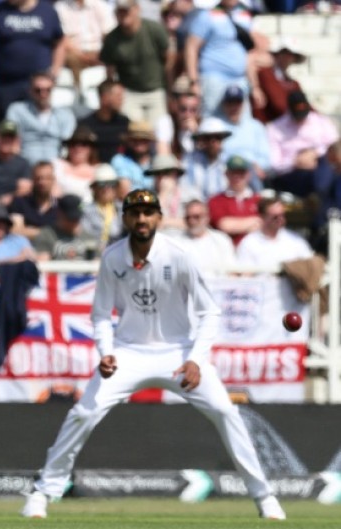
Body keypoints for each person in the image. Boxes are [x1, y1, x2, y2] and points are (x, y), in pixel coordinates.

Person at [23, 188, 286, 522]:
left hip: (178, 352)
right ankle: (43, 492)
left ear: (159, 218)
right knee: (83, 413)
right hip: (128, 352)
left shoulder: (179, 257)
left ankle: (264, 497)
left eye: (148, 213)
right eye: (135, 213)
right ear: (126, 218)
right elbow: (102, 315)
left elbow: (210, 313)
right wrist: (105, 352)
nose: (142, 219)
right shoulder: (112, 257)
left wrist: (195, 359)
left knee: (225, 410)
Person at [0, 0, 65, 122]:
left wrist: (55, 71)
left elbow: (60, 42)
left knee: (37, 123)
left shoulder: (48, 11)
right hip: (5, 83)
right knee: (7, 126)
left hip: (38, 85)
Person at [99, 0, 170, 126]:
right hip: (129, 92)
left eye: (126, 10)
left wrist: (168, 86)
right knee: (134, 131)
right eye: (119, 11)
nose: (123, 14)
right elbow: (110, 71)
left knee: (159, 129)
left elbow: (168, 57)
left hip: (155, 90)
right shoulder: (112, 39)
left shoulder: (154, 29)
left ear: (137, 9)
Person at [266, 90, 339, 198]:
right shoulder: (275, 128)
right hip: (292, 173)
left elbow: (335, 145)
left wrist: (314, 153)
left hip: (320, 166)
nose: (301, 119)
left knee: (327, 172)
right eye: (297, 115)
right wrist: (296, 161)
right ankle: (320, 201)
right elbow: (274, 164)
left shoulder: (321, 121)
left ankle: (321, 200)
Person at [5, 73, 76, 168]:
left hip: (56, 166)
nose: (43, 94)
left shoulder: (65, 115)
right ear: (30, 91)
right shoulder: (17, 110)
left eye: (48, 90)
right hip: (25, 164)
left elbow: (68, 142)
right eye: (38, 90)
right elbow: (11, 139)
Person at [235, 197, 313, 270]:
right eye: (275, 217)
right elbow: (245, 276)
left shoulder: (296, 240)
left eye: (282, 215)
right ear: (262, 217)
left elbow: (310, 264)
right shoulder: (249, 243)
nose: (280, 219)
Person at [207, 155, 261, 246]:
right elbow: (224, 225)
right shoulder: (215, 200)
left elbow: (264, 224)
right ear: (226, 174)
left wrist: (236, 225)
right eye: (233, 172)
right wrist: (255, 221)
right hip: (227, 250)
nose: (237, 176)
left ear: (248, 174)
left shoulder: (258, 200)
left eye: (241, 172)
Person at [174, 198, 236, 275]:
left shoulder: (221, 240)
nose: (191, 221)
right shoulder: (176, 243)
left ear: (207, 217)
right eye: (188, 218)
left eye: (196, 217)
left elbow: (231, 270)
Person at [31, 193, 100, 260]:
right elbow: (42, 262)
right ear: (60, 214)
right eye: (70, 219)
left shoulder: (88, 237)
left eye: (77, 219)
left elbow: (97, 262)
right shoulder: (46, 235)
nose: (74, 223)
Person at [253, 38, 304, 124]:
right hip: (268, 126)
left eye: (292, 55)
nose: (289, 58)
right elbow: (279, 105)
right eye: (286, 53)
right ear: (278, 54)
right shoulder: (265, 74)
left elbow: (303, 103)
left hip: (286, 127)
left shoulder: (293, 83)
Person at [78, 80, 130, 163]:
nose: (121, 100)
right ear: (104, 97)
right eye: (118, 96)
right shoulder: (86, 125)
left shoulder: (124, 123)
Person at [183, 116, 231, 200]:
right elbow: (185, 190)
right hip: (196, 207)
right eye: (208, 138)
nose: (213, 142)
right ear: (202, 140)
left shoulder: (228, 162)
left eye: (217, 137)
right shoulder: (189, 161)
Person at [9, 161, 57, 239]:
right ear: (32, 179)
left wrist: (30, 230)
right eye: (38, 178)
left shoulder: (60, 206)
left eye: (47, 178)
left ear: (53, 180)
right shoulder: (19, 202)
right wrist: (47, 233)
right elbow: (15, 230)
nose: (42, 182)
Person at [81, 164, 122, 249]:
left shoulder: (123, 209)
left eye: (111, 184)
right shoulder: (85, 211)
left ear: (116, 187)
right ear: (94, 188)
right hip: (95, 253)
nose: (106, 188)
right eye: (102, 184)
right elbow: (86, 235)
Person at [55, 126, 98, 202]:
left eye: (84, 144)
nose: (78, 148)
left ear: (91, 148)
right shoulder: (57, 165)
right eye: (73, 144)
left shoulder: (100, 170)